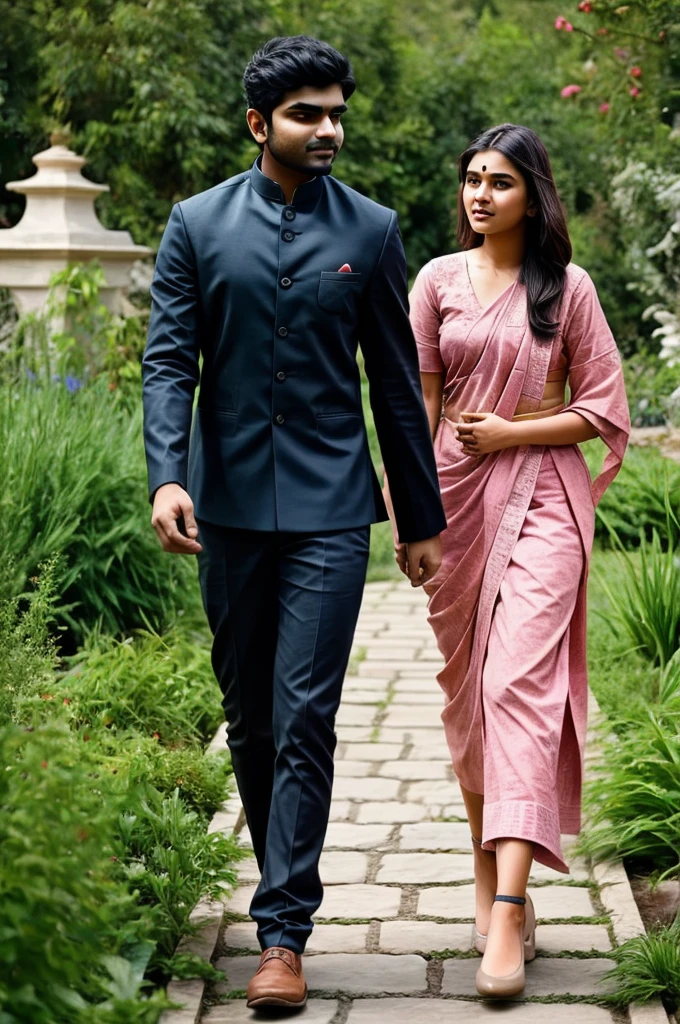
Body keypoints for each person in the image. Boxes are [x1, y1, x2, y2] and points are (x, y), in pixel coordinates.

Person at [142, 35, 445, 1010]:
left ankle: (282, 932)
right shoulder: (195, 226)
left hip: (328, 505)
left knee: (305, 711)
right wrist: (166, 476)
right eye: (307, 113)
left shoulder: (370, 229)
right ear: (257, 124)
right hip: (225, 502)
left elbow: (395, 384)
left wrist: (416, 516)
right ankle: (276, 895)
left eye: (335, 113)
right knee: (251, 716)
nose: (328, 129)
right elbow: (167, 362)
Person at [402, 123, 630, 998]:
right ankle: (486, 873)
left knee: (516, 692)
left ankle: (508, 907)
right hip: (455, 507)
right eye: (471, 179)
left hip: (542, 500)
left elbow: (603, 407)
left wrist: (512, 432)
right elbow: (418, 405)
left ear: (533, 193)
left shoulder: (568, 289)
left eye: (499, 181)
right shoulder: (433, 283)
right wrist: (411, 514)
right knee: (469, 705)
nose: (480, 194)